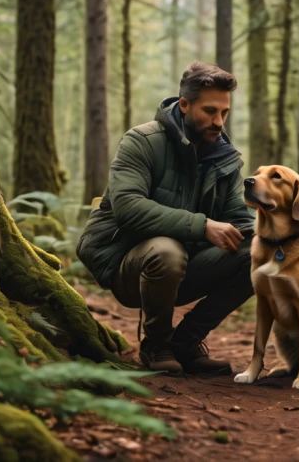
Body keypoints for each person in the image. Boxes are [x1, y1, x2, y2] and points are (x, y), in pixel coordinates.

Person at [77, 61, 255, 375]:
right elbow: (128, 207)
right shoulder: (142, 141)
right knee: (166, 251)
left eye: (224, 113)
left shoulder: (225, 158)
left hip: (189, 265)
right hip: (128, 266)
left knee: (258, 253)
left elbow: (236, 219)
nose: (218, 121)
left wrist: (275, 234)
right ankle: (156, 345)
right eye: (210, 111)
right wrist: (202, 226)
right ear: (184, 105)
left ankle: (184, 343)